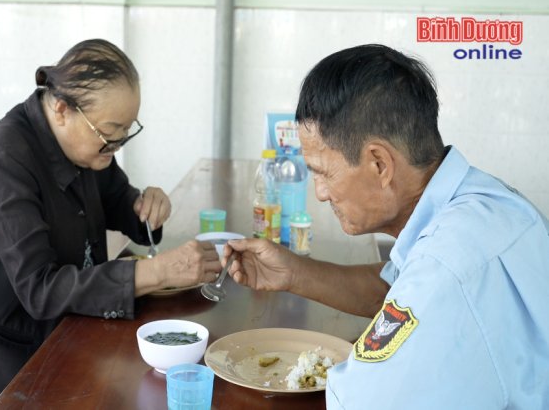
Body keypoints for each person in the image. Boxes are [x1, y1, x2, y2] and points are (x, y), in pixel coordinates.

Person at [224, 44, 549, 408]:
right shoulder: (486, 201)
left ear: (379, 164)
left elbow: (358, 401)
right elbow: (396, 291)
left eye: (323, 172)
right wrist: (293, 273)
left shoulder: (445, 270)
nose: (320, 194)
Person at [0, 39, 222, 409]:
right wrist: (156, 272)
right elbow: (40, 290)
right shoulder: (5, 161)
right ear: (61, 110)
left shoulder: (85, 145)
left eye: (126, 130)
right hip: (10, 357)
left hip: (72, 330)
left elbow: (119, 201)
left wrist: (148, 207)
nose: (117, 144)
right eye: (110, 132)